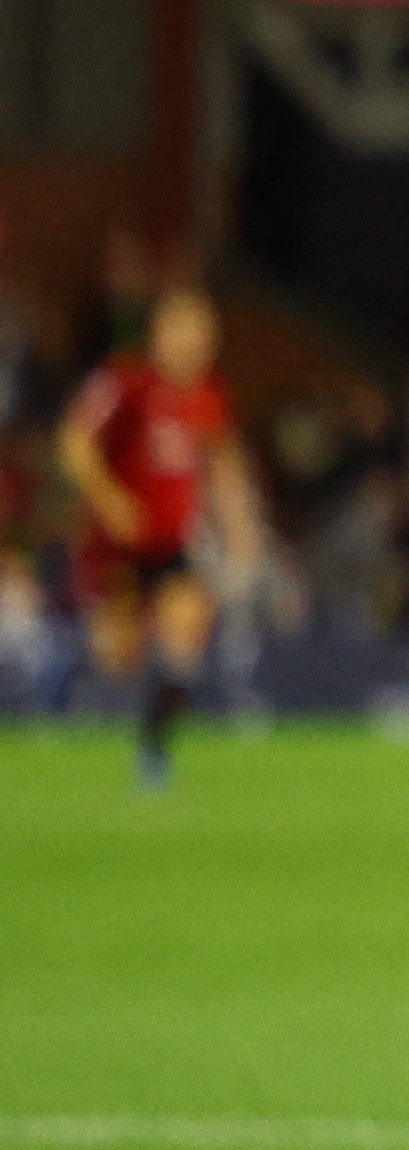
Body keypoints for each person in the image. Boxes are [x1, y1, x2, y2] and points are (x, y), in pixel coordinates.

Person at [60, 282, 253, 790]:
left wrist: (237, 524)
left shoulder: (208, 394)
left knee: (188, 629)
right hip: (114, 547)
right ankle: (62, 691)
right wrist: (110, 499)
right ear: (159, 332)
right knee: (116, 656)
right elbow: (74, 443)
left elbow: (222, 458)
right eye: (185, 327)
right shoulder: (126, 383)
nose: (196, 340)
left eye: (204, 330)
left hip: (170, 546)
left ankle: (153, 752)